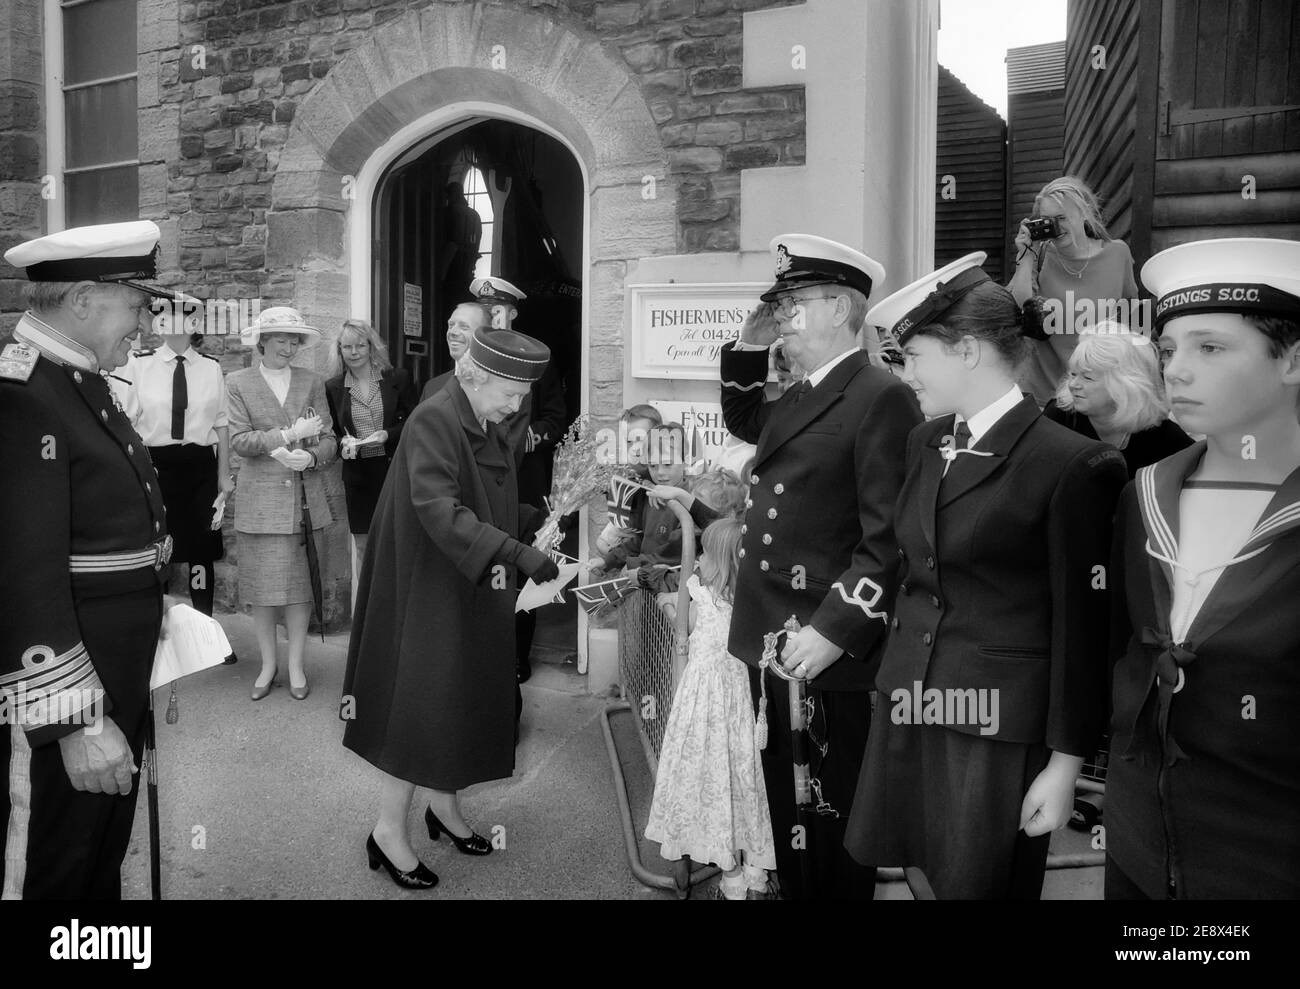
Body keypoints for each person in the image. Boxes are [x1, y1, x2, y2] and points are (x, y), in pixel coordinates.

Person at [842, 252, 1128, 899]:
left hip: (995, 727)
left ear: (966, 349)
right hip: (911, 699)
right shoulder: (927, 441)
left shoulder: (1071, 463)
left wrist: (1066, 762)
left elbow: (1083, 631)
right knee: (917, 868)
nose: (904, 371)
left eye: (913, 354)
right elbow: (911, 565)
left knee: (981, 885)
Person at [720, 234, 923, 900]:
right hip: (775, 638)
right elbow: (746, 416)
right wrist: (753, 341)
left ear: (839, 309)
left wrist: (835, 629)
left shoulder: (878, 396)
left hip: (823, 651)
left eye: (793, 304)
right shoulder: (807, 392)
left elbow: (888, 536)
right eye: (779, 306)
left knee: (829, 821)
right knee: (789, 809)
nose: (782, 317)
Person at [1107, 238, 1300, 900]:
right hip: (1137, 846)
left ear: (1293, 359)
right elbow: (1125, 645)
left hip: (1262, 861)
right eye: (1168, 351)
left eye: (1209, 348)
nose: (1176, 371)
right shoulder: (1146, 490)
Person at [341, 327, 558, 891]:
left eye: (522, 397)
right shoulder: (435, 418)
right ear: (474, 375)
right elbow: (440, 509)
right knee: (423, 705)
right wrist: (518, 553)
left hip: (466, 578)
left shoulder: (483, 416)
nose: (517, 407)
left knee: (459, 698)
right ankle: (388, 831)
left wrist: (540, 518)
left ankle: (442, 807)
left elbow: (485, 497)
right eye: (511, 393)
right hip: (431, 588)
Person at [1, 220, 174, 898]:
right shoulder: (22, 395)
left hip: (113, 669)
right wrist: (73, 719)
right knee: (52, 866)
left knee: (97, 860)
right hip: (69, 693)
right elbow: (21, 577)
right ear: (83, 300)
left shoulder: (82, 382)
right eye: (137, 303)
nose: (145, 323)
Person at [645, 517, 777, 900]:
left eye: (703, 552)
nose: (698, 559)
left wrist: (666, 604)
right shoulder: (755, 605)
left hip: (704, 710)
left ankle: (731, 876)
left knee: (710, 781)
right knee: (747, 784)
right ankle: (757, 875)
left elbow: (680, 625)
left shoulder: (701, 597)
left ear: (719, 561)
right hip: (743, 708)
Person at [225, 307, 337, 702]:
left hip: (306, 502)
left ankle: (296, 665)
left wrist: (312, 457)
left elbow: (330, 439)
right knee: (264, 590)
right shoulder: (238, 381)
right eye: (281, 340)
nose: (289, 347)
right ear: (262, 342)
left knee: (299, 589)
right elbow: (240, 441)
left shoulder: (311, 381)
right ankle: (268, 664)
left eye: (295, 341)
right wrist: (288, 434)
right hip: (261, 506)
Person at [115, 292, 235, 653]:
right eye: (164, 315)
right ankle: (159, 636)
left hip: (199, 466)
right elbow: (127, 423)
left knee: (200, 551)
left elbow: (223, 425)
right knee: (158, 550)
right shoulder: (138, 365)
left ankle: (206, 638)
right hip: (156, 466)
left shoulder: (210, 368)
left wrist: (224, 475)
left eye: (183, 315)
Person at [1007, 176, 1140, 405]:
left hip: (1097, 393)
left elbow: (1133, 316)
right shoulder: (1040, 257)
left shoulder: (1118, 254)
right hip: (1043, 395)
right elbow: (1018, 308)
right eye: (1047, 220)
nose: (1055, 227)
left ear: (1085, 213)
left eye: (1061, 218)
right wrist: (1026, 256)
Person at [324, 318, 417, 562]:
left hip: (394, 471)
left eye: (360, 346)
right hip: (358, 478)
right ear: (339, 350)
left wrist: (388, 435)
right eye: (347, 347)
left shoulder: (398, 378)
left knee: (398, 543)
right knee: (365, 548)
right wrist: (342, 444)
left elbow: (415, 422)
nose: (354, 352)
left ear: (371, 346)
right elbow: (330, 432)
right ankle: (367, 601)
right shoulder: (333, 388)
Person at [1044, 326, 1193, 478]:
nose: (1073, 384)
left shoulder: (1166, 438)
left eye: (1087, 377)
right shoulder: (1058, 418)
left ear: (1125, 385)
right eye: (1073, 374)